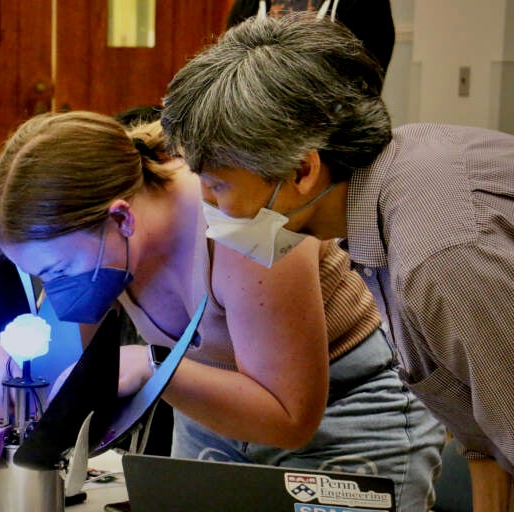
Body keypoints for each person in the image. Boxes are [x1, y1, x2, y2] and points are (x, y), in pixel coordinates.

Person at [0, 111, 445, 510]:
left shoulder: (239, 219)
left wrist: (152, 367)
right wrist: (10, 362)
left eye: (61, 269)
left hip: (344, 417)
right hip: (214, 418)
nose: (57, 290)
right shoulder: (101, 246)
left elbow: (290, 417)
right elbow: (79, 363)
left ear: (121, 217)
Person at [161, 12, 514, 511]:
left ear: (303, 169)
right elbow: (486, 440)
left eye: (219, 186)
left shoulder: (439, 256)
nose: (210, 208)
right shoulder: (387, 196)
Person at [226, 0, 395, 77]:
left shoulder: (365, 5)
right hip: (258, 132)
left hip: (332, 136)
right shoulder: (249, 6)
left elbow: (367, 85)